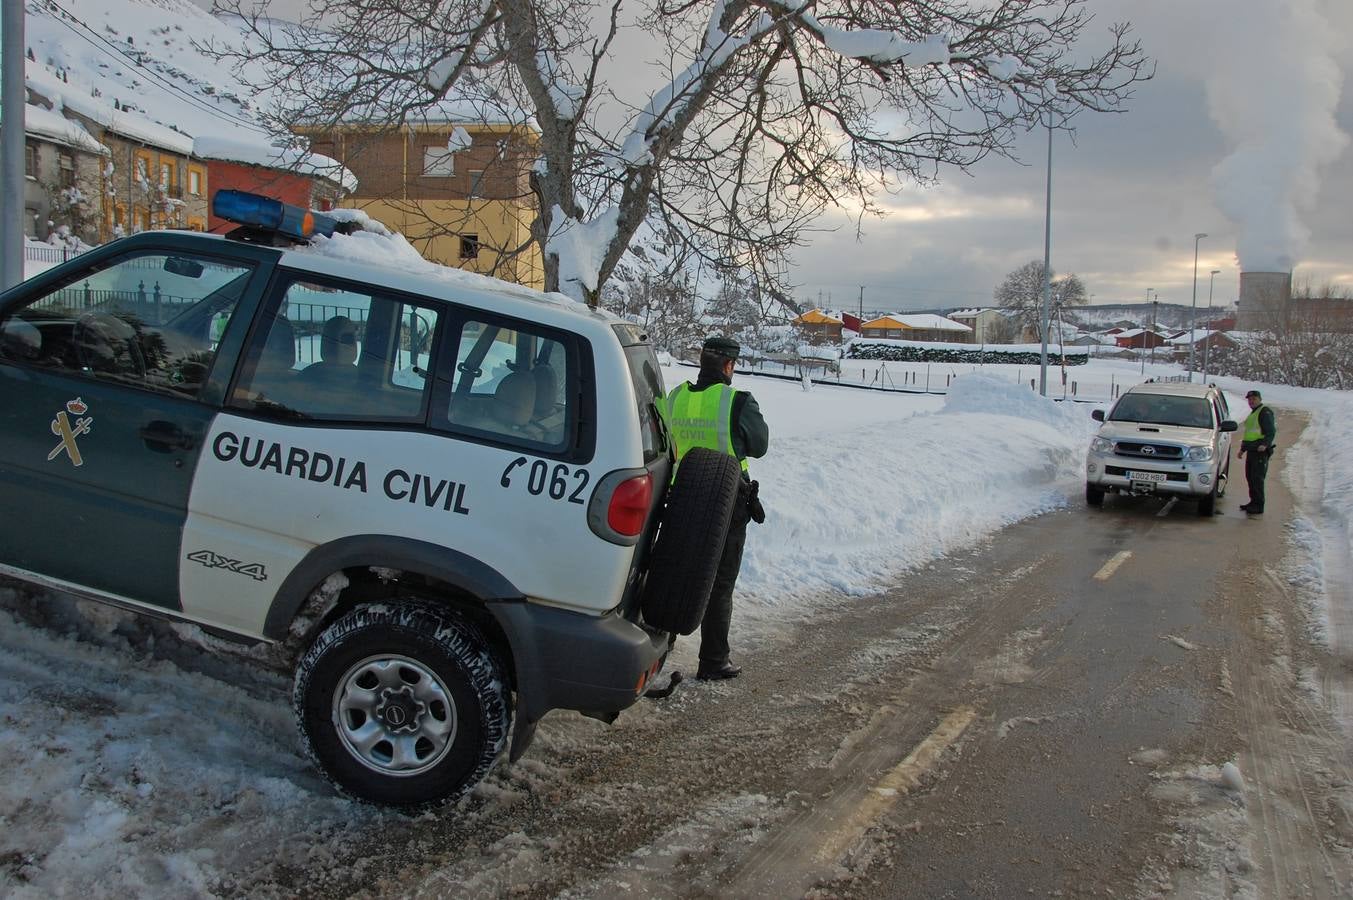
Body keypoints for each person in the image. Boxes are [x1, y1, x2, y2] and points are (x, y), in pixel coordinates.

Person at [665, 335, 769, 680]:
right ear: (729, 366)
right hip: (726, 504)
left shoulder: (676, 397)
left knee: (672, 574)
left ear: (701, 363)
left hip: (679, 498)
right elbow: (759, 445)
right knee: (720, 582)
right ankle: (713, 660)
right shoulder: (737, 401)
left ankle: (656, 651)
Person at [1238, 388, 1277, 516]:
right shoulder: (1253, 413)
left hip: (1260, 452)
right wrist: (1242, 449)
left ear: (1260, 399)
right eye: (1249, 399)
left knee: (1257, 479)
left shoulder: (1264, 412)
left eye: (1254, 399)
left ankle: (1258, 505)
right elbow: (1249, 434)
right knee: (1250, 477)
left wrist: (1265, 444)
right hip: (1251, 451)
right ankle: (1253, 502)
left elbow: (1270, 431)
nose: (1251, 401)